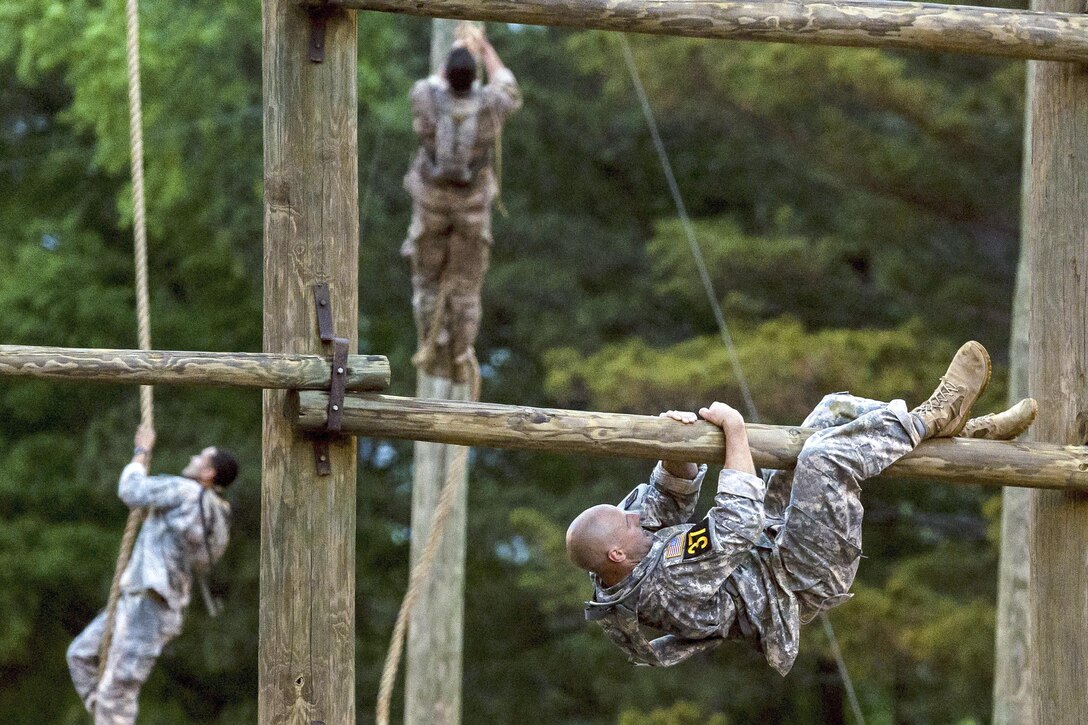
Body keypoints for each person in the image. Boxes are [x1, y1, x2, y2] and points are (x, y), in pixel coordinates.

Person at [566, 341, 1033, 675]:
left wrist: (676, 443)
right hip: (798, 577)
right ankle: (934, 417)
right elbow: (737, 522)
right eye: (627, 522)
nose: (634, 517)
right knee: (824, 457)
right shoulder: (663, 579)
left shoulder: (624, 554)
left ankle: (958, 432)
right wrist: (734, 430)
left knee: (830, 412)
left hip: (771, 544)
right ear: (616, 556)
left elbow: (667, 498)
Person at [67, 426, 237, 723]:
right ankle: (107, 713)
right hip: (141, 601)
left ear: (209, 473)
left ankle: (110, 712)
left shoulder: (185, 491)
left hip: (149, 603)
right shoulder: (218, 512)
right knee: (81, 656)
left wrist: (141, 450)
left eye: (202, 457)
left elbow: (130, 490)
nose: (194, 457)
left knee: (117, 693)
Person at [402, 24, 522, 382]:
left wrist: (456, 47)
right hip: (471, 207)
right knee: (466, 287)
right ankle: (460, 354)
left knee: (427, 280)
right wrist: (482, 47)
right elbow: (508, 86)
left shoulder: (426, 98)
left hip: (432, 203)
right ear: (473, 79)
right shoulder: (489, 105)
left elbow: (433, 82)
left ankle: (431, 345)